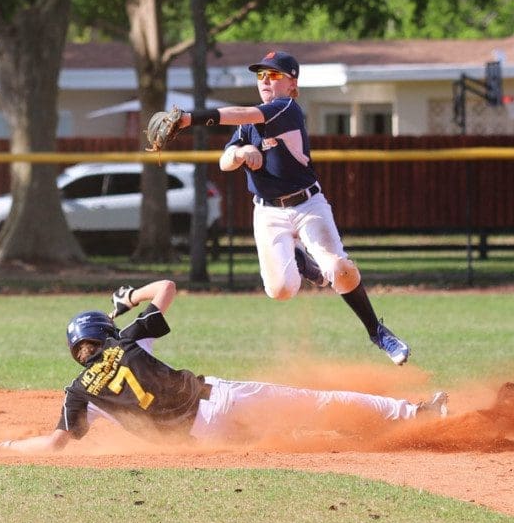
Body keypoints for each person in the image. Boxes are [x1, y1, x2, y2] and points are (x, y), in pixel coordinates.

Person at [0, 280, 447, 453]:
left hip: (200, 438)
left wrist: (7, 446)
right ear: (103, 333)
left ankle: (373, 435)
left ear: (75, 351)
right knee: (312, 403)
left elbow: (54, 445)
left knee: (289, 437)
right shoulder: (125, 340)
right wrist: (127, 300)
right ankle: (413, 417)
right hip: (217, 397)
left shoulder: (78, 392)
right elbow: (166, 286)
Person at [172, 50, 411, 365]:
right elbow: (224, 160)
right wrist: (242, 152)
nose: (266, 80)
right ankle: (300, 260)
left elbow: (242, 115)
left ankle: (377, 331)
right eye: (261, 75)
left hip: (308, 204)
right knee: (281, 290)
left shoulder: (286, 109)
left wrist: (190, 119)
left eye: (273, 75)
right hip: (268, 213)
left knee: (338, 269)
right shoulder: (249, 127)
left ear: (292, 84)